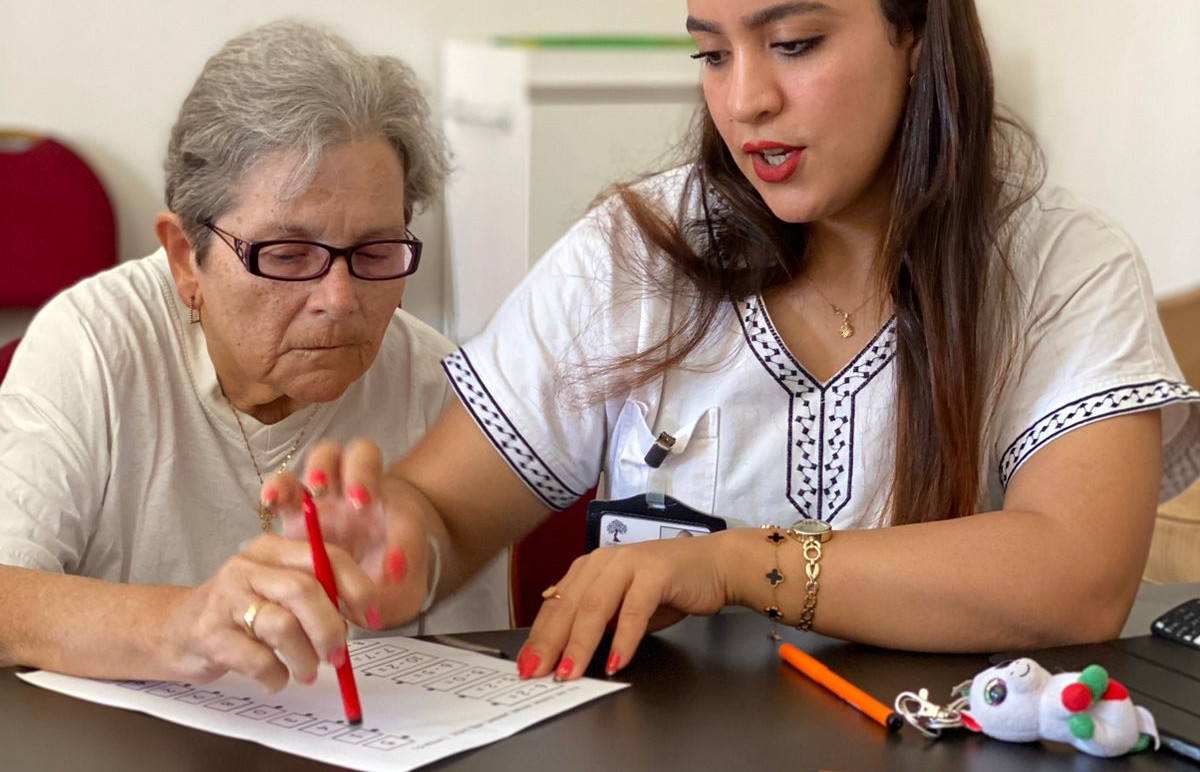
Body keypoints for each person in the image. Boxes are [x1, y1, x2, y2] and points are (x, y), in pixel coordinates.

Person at [270, 0, 1200, 681]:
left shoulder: (1061, 264)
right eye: (713, 54)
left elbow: (1075, 578)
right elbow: (443, 511)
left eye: (794, 43)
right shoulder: (634, 253)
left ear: (915, 34)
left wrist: (735, 564)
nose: (747, 99)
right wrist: (389, 548)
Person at [0, 21, 509, 689]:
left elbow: (471, 666)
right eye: (289, 254)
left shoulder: (437, 390)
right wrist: (183, 624)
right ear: (186, 257)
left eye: (375, 252)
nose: (339, 298)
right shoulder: (95, 344)